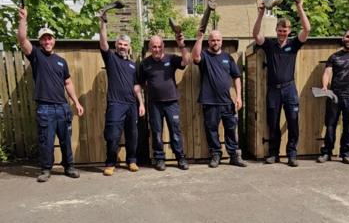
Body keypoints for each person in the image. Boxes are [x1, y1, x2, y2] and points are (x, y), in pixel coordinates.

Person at [17, 8, 84, 182]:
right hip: (44, 108)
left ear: (54, 40)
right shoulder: (36, 56)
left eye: (50, 38)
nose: (47, 41)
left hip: (63, 108)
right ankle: (46, 169)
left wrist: (76, 102)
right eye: (44, 38)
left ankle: (69, 167)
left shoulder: (62, 62)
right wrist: (23, 20)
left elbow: (67, 83)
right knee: (46, 141)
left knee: (65, 141)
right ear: (40, 41)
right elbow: (22, 39)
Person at [252, 0, 310, 167]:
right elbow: (255, 34)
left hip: (289, 89)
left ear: (289, 31)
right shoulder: (269, 44)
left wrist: (299, 6)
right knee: (273, 123)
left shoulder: (294, 44)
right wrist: (261, 13)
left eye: (285, 31)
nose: (282, 33)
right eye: (280, 30)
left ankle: (292, 155)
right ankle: (273, 154)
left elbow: (307, 29)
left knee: (293, 122)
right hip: (273, 90)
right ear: (276, 30)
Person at [191, 30, 246, 168]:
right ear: (208, 42)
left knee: (231, 129)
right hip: (209, 101)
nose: (215, 42)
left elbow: (237, 77)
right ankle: (216, 154)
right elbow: (195, 56)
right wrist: (199, 38)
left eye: (218, 40)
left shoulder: (228, 57)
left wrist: (239, 96)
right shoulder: (204, 56)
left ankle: (234, 156)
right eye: (212, 40)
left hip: (227, 101)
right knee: (211, 130)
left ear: (221, 41)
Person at [99, 13, 145, 176]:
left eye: (125, 44)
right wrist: (103, 24)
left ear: (129, 47)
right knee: (112, 135)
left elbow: (136, 86)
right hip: (115, 103)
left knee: (133, 135)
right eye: (120, 44)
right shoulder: (110, 58)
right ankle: (110, 163)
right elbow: (103, 44)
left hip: (131, 104)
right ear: (116, 45)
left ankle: (132, 160)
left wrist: (141, 103)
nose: (122, 47)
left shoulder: (133, 65)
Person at [138, 35, 189, 170]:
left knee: (175, 132)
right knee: (156, 132)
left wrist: (182, 45)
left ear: (163, 47)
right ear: (150, 48)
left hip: (171, 103)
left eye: (159, 46)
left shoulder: (171, 59)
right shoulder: (145, 63)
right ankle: (159, 158)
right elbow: (140, 85)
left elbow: (186, 61)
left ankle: (180, 158)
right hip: (154, 104)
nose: (157, 49)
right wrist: (141, 103)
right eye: (154, 47)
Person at [317, 30, 349, 164]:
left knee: (348, 127)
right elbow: (327, 73)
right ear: (343, 38)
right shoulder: (334, 57)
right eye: (347, 36)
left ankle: (346, 154)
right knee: (330, 125)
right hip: (334, 95)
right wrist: (324, 86)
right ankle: (327, 153)